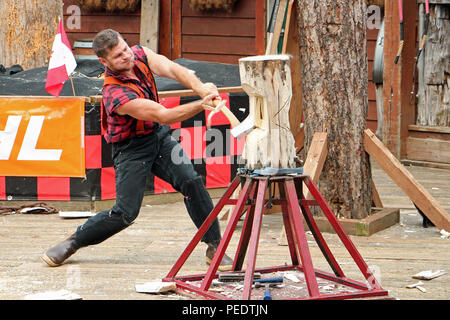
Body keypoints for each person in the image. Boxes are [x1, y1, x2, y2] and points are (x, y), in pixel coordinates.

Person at [42, 29, 233, 271]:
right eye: (118, 56)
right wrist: (201, 104)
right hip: (131, 149)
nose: (126, 56)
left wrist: (201, 88)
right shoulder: (115, 93)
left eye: (125, 49)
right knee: (125, 213)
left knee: (191, 181)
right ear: (104, 62)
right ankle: (74, 240)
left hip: (157, 137)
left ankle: (214, 245)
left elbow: (172, 69)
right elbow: (163, 114)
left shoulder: (139, 54)